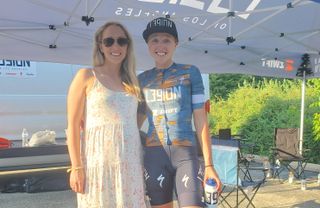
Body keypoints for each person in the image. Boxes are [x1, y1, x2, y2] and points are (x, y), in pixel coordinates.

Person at [138, 17, 222, 208]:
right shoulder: (141, 80)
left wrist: (209, 165)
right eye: (155, 40)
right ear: (148, 45)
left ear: (176, 43)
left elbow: (201, 121)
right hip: (154, 156)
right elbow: (133, 123)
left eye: (166, 39)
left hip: (185, 154)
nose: (160, 45)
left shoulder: (191, 72)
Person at [67, 21, 148, 208]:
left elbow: (133, 123)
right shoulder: (86, 76)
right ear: (100, 46)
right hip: (98, 165)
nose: (116, 46)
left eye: (121, 41)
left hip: (130, 165)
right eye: (109, 41)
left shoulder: (133, 82)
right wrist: (76, 167)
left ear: (128, 46)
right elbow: (72, 126)